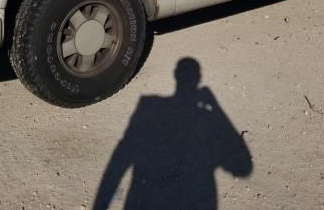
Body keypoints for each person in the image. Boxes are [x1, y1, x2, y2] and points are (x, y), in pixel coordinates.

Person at [93, 58, 253, 210]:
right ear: (198, 78)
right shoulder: (206, 116)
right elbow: (243, 168)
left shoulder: (148, 107)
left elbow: (122, 154)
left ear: (175, 75)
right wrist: (215, 106)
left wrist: (100, 205)